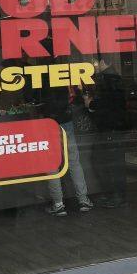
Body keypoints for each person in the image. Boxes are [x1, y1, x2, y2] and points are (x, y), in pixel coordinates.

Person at [39, 82, 93, 216]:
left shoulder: (41, 77)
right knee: (74, 161)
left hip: (49, 121)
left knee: (52, 164)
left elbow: (38, 99)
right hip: (66, 120)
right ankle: (83, 200)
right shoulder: (61, 75)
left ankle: (58, 204)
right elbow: (72, 97)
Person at [86, 55, 130, 208]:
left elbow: (107, 103)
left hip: (110, 127)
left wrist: (91, 104)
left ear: (103, 62)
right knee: (107, 162)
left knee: (109, 162)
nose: (94, 65)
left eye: (95, 62)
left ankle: (116, 195)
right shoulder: (112, 78)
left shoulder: (108, 79)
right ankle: (114, 194)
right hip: (112, 126)